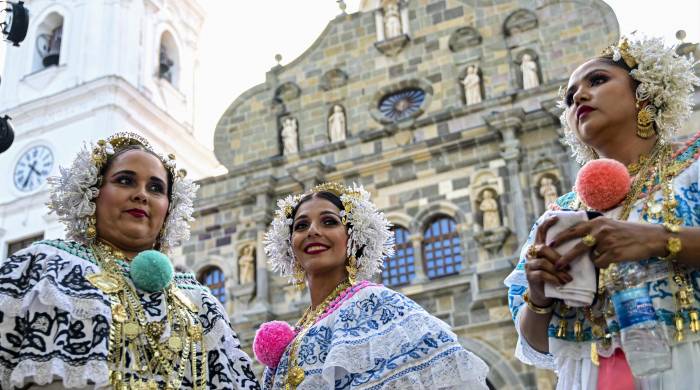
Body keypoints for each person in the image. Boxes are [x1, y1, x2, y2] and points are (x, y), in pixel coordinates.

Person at [505, 36, 700, 389]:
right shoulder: (560, 213)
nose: (578, 96)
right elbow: (537, 343)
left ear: (645, 91)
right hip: (592, 376)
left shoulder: (695, 164)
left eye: (597, 80)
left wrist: (660, 240)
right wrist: (538, 293)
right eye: (569, 97)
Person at [0, 132, 260, 389]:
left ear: (169, 207)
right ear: (93, 191)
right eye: (125, 180)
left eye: (156, 188)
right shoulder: (45, 266)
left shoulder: (200, 302)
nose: (141, 195)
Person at [255, 182, 489, 389]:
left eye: (329, 221)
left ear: (354, 238)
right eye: (301, 226)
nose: (313, 231)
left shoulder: (380, 305)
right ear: (290, 245)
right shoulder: (297, 332)